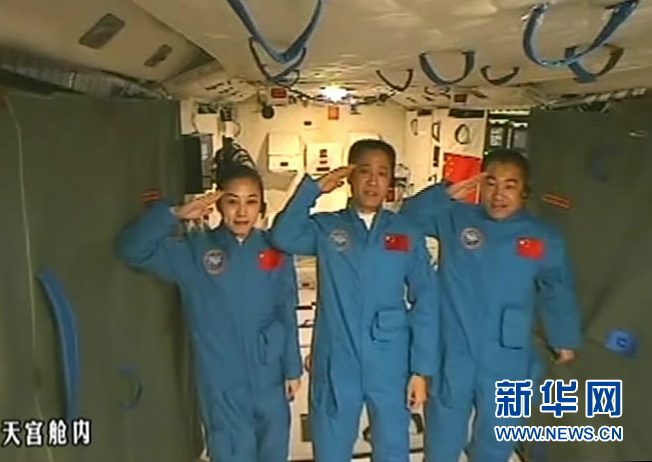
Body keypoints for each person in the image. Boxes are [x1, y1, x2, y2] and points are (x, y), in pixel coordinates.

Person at [116, 154, 302, 462]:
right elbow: (131, 249)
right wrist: (174, 214)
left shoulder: (276, 251)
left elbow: (286, 309)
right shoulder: (195, 253)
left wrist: (292, 369)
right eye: (232, 201)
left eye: (251, 202)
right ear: (218, 205)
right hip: (223, 387)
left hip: (269, 381)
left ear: (261, 207)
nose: (242, 212)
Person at [399, 148, 582, 462]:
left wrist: (563, 338)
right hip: (455, 350)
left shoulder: (542, 236)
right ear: (480, 185)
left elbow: (557, 287)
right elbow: (406, 220)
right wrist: (449, 192)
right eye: (491, 183)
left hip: (509, 355)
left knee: (498, 440)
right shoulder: (456, 218)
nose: (499, 195)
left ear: (524, 190)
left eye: (510, 185)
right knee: (443, 437)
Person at [269, 139, 439, 462]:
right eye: (364, 171)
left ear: (391, 181)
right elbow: (283, 236)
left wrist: (420, 370)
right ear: (349, 176)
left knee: (392, 450)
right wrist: (313, 189)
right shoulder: (327, 227)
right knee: (331, 449)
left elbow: (426, 300)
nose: (373, 181)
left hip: (391, 363)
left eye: (382, 173)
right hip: (337, 360)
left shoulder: (405, 233)